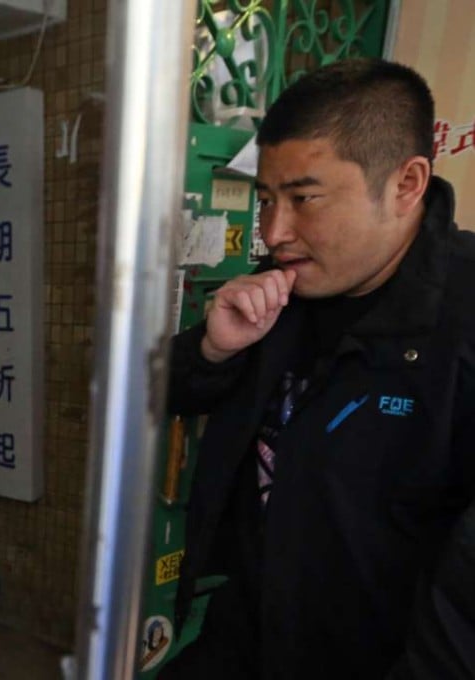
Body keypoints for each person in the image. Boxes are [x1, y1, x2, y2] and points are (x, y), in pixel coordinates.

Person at [161, 58, 475, 679]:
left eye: (304, 199)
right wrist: (212, 352)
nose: (276, 231)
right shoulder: (285, 293)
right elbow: (166, 393)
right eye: (267, 199)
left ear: (407, 184)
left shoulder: (463, 317)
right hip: (243, 636)